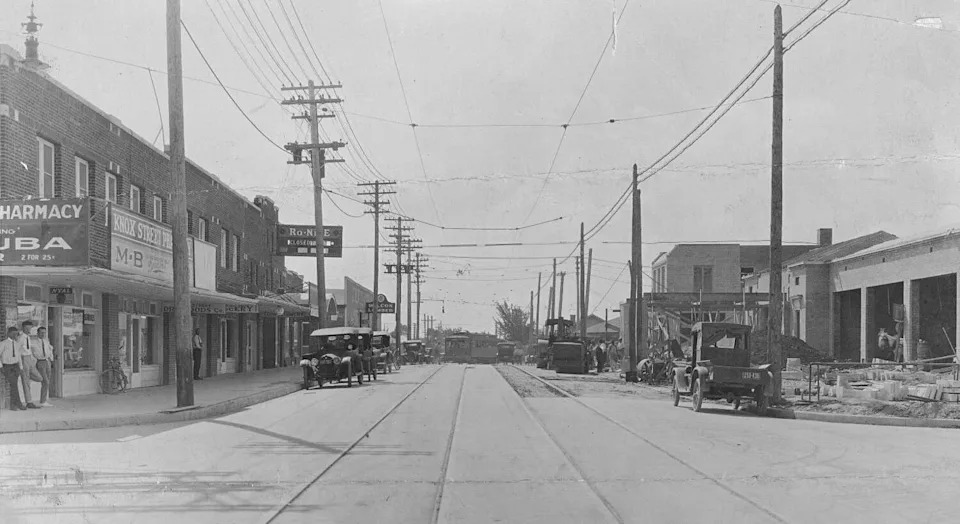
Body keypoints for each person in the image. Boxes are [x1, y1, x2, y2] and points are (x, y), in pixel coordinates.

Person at [17, 321, 42, 409]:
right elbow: (17, 352)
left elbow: (29, 349)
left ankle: (26, 377)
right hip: (23, 359)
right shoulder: (20, 338)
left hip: (30, 360)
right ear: (23, 328)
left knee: (40, 378)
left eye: (30, 328)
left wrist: (33, 359)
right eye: (27, 328)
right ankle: (29, 402)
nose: (29, 330)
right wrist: (20, 365)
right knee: (26, 382)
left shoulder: (28, 337)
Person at [1, 326, 26, 411]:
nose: (15, 335)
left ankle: (12, 405)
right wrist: (1, 367)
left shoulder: (17, 344)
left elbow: (19, 357)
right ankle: (18, 404)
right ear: (9, 334)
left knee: (13, 385)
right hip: (7, 366)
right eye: (14, 334)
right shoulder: (3, 343)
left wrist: (21, 367)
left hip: (16, 366)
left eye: (16, 334)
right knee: (14, 384)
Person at [32, 326, 54, 407]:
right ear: (37, 333)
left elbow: (50, 349)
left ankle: (43, 400)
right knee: (45, 381)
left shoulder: (46, 341)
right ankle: (43, 401)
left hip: (47, 361)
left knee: (47, 380)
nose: (43, 334)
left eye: (44, 332)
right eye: (41, 332)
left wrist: (51, 359)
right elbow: (33, 352)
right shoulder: (33, 342)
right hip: (40, 361)